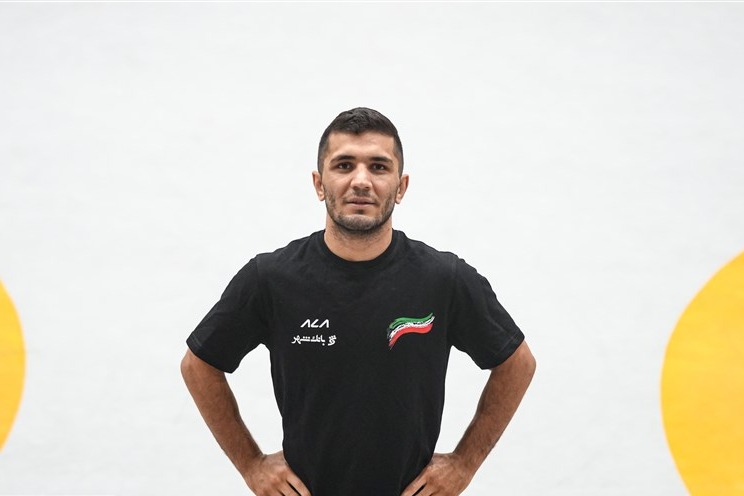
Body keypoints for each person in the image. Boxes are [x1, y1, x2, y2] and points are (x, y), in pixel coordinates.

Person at [181, 107, 536, 496]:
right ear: (319, 184)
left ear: (401, 187)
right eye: (344, 165)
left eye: (379, 167)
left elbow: (517, 364)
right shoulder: (271, 279)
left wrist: (464, 464)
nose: (361, 181)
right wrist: (251, 464)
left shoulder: (443, 279)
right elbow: (199, 365)